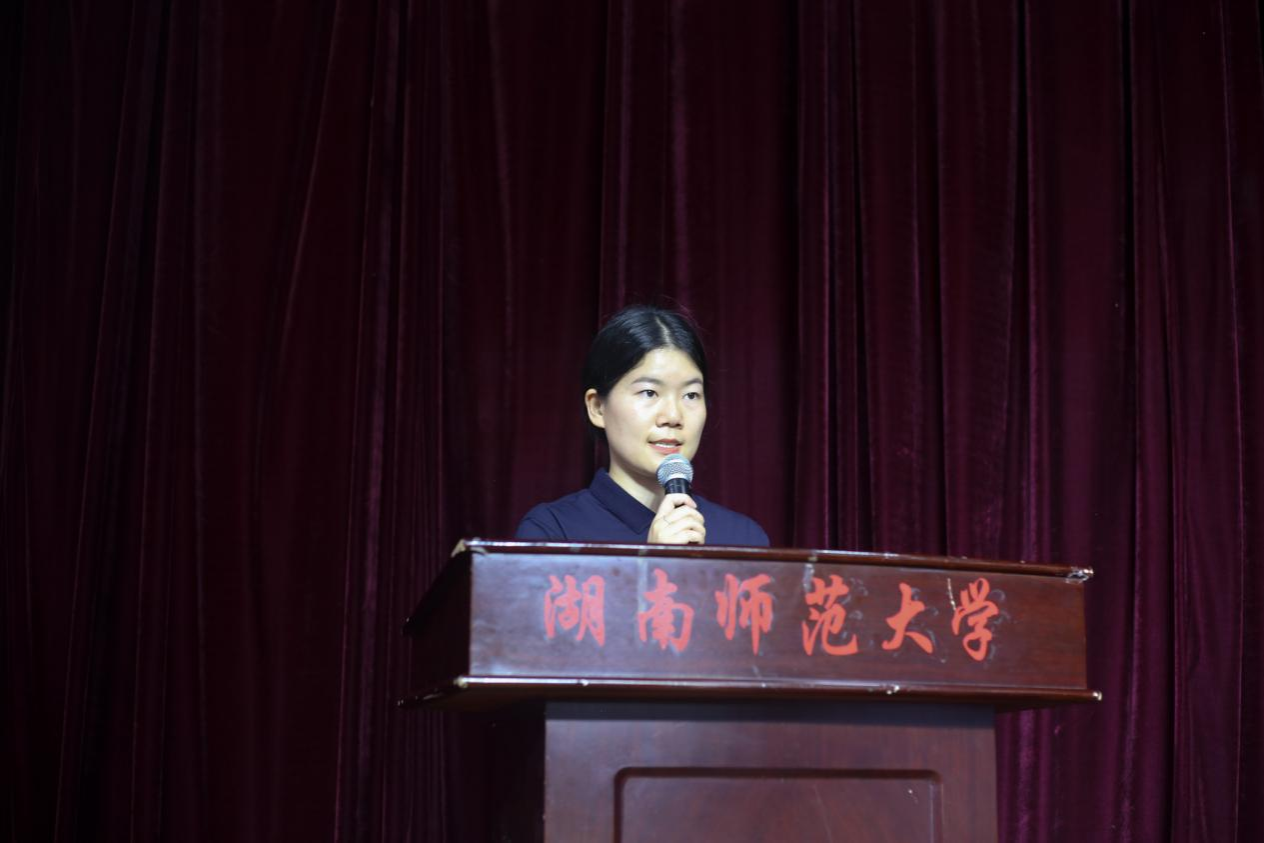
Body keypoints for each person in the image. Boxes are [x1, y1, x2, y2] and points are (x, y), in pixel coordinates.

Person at [515, 305, 770, 546]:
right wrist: (652, 562)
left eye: (691, 395)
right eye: (649, 392)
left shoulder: (744, 537)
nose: (673, 416)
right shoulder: (552, 531)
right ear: (597, 408)